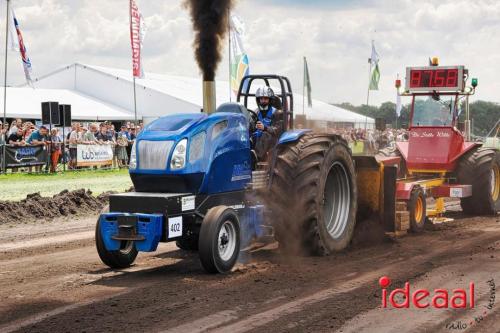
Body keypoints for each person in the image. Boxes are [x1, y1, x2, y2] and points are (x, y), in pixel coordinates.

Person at [250, 86, 283, 162]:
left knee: (265, 135)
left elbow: (278, 130)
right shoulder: (255, 112)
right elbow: (250, 126)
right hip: (257, 138)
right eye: (261, 99)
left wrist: (265, 128)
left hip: (273, 141)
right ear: (258, 100)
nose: (263, 101)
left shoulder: (277, 113)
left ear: (270, 100)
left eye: (265, 99)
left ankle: (256, 158)